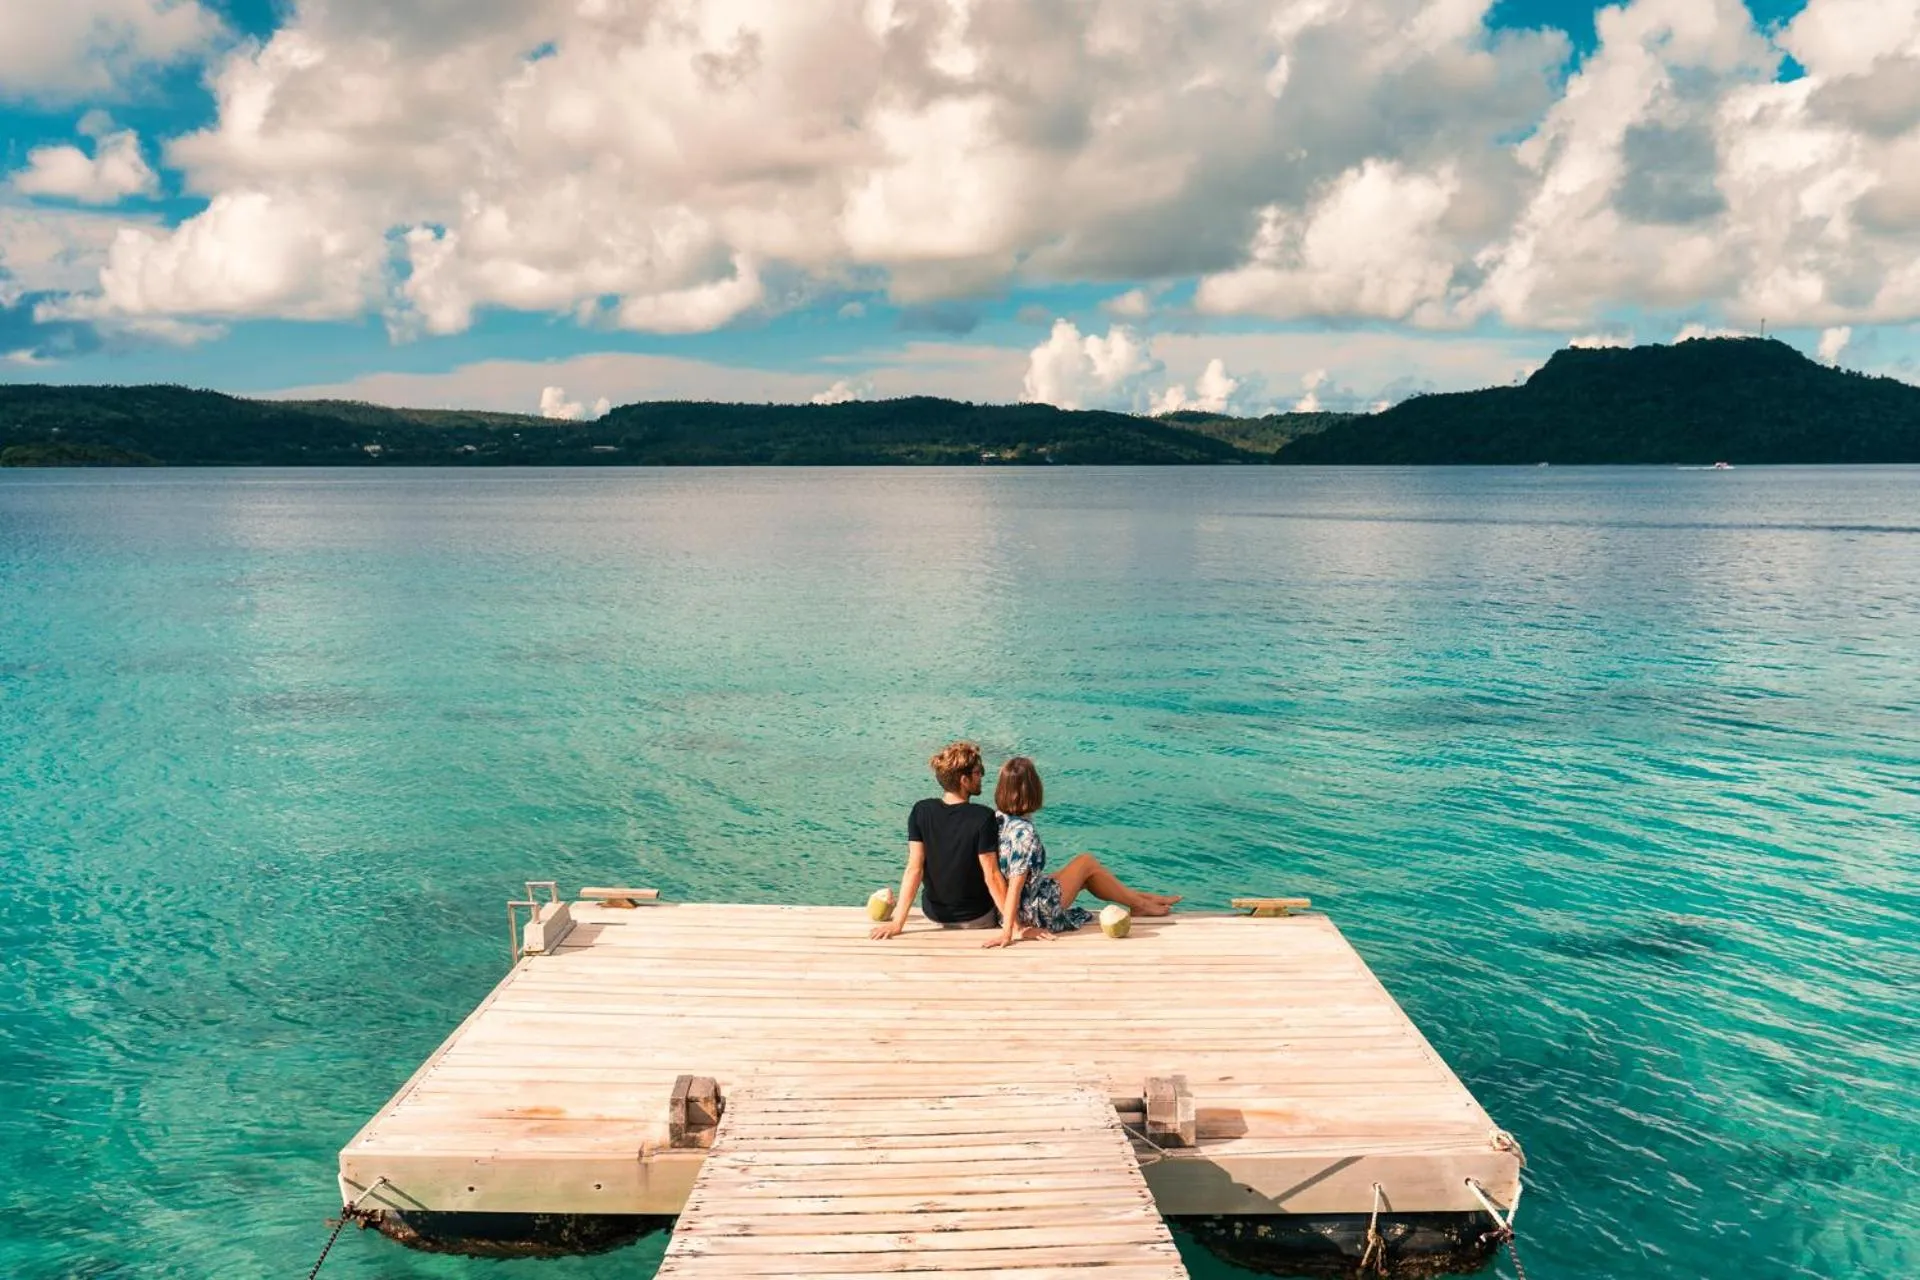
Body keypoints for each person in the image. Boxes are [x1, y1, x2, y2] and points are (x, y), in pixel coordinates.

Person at [985, 756, 1180, 950]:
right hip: (1033, 912)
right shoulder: (1024, 834)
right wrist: (1012, 931)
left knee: (1088, 875)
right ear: (1033, 789)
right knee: (1086, 863)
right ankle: (1140, 904)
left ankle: (1140, 900)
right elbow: (1015, 886)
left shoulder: (999, 818)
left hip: (1021, 903)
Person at [870, 741, 1008, 939]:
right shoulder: (983, 817)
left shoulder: (921, 811)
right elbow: (992, 875)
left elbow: (914, 868)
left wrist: (897, 923)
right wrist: (1015, 926)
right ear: (964, 780)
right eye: (978, 772)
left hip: (934, 915)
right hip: (977, 918)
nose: (982, 776)